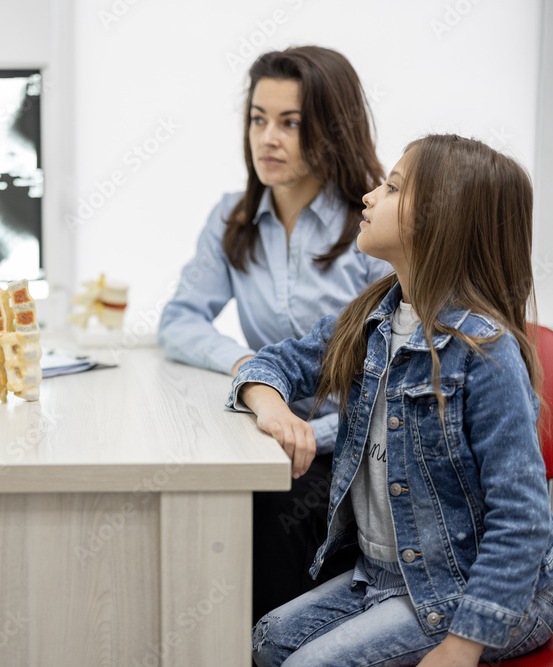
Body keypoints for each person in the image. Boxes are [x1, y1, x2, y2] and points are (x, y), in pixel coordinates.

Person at [234, 134, 553, 666]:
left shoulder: (486, 354)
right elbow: (273, 363)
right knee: (267, 642)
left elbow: (523, 520)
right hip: (387, 575)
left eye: (392, 187)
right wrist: (270, 406)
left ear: (440, 218)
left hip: (477, 593)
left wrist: (462, 645)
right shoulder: (373, 318)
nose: (369, 196)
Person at [157, 45, 392, 622]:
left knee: (260, 516)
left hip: (355, 449)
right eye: (259, 119)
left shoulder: (374, 225)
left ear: (333, 130)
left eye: (291, 123)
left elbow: (397, 378)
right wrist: (247, 367)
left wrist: (310, 433)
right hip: (271, 430)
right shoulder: (232, 217)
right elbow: (180, 317)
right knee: (204, 496)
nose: (268, 138)